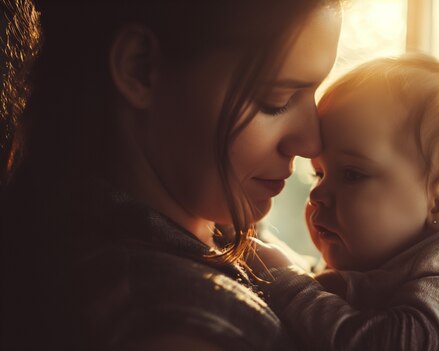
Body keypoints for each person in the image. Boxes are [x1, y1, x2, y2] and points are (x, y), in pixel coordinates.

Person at [0, 0, 341, 350]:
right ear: (140, 68)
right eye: (276, 99)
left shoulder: (214, 236)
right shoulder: (176, 329)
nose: (311, 142)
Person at [252, 54, 439, 350]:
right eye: (318, 173)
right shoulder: (382, 260)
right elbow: (324, 291)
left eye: (352, 174)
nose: (317, 195)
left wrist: (286, 283)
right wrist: (257, 240)